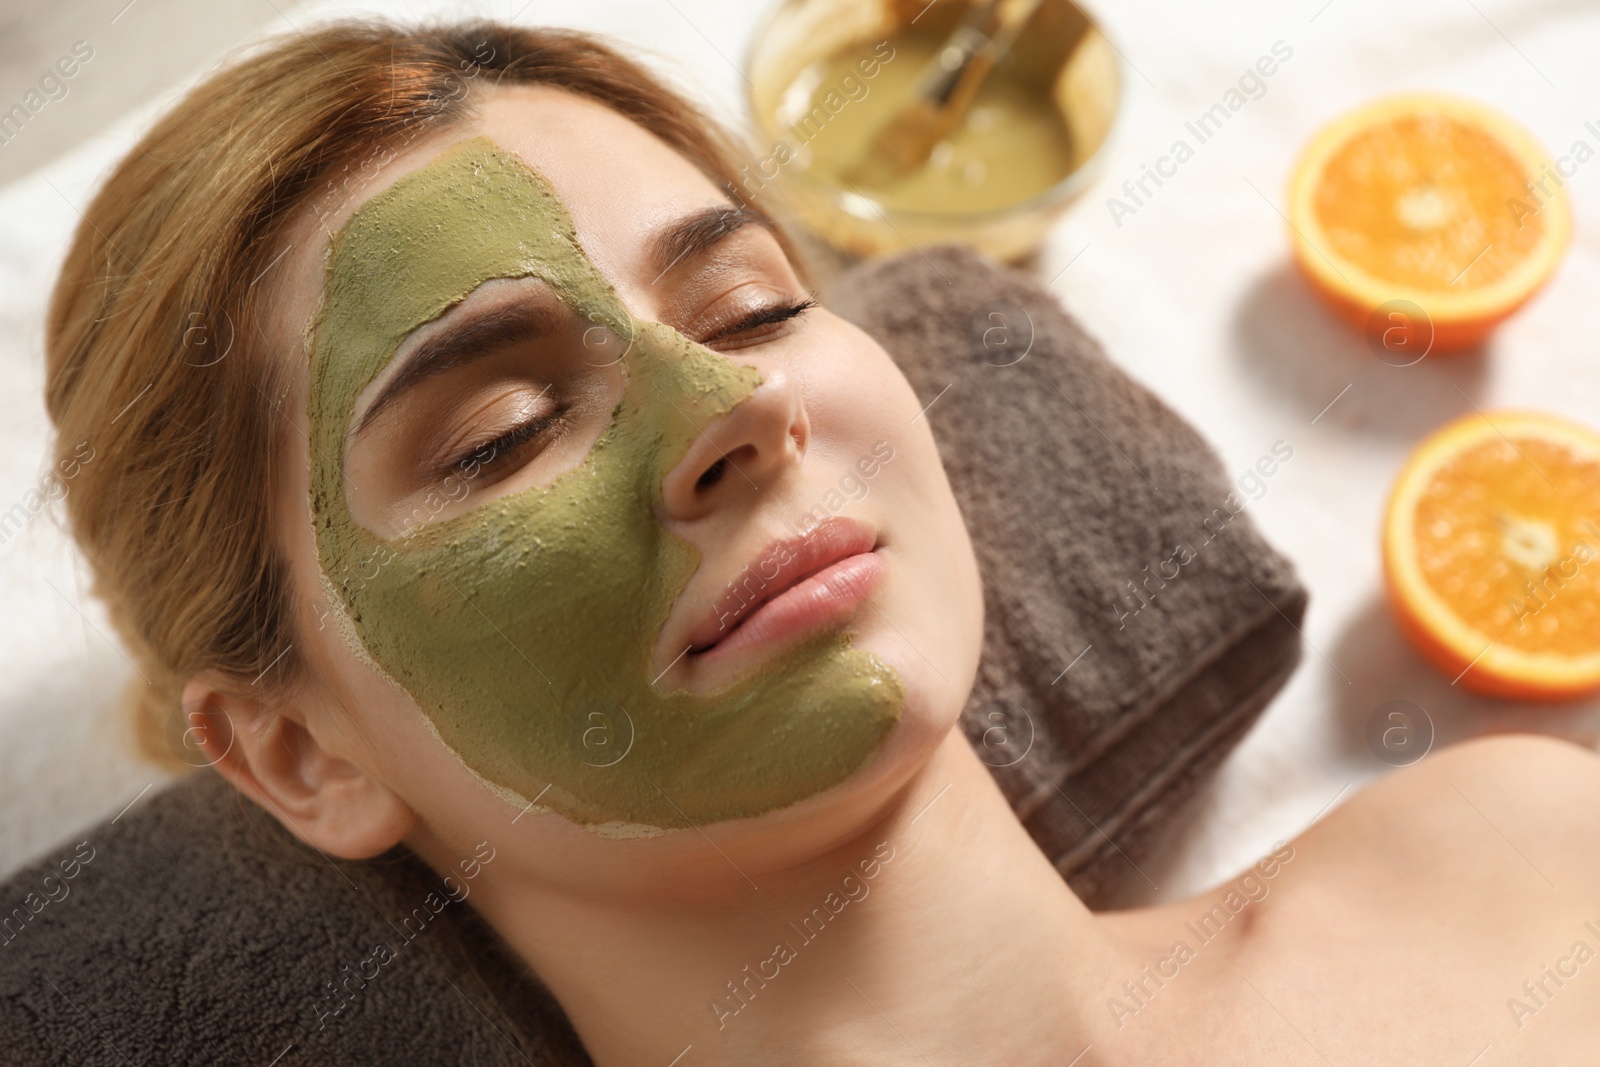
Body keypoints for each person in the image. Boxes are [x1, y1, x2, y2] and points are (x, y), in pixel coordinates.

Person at [42, 18, 1600, 1065]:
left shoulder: (1506, 868)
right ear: (300, 756)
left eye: (752, 307)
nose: (734, 406)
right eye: (503, 431)